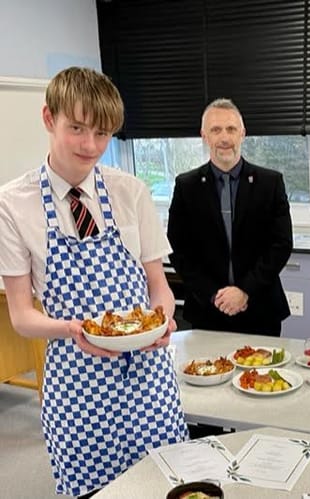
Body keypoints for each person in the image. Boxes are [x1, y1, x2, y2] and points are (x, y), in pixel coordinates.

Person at [0, 67, 188, 498]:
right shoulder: (13, 204)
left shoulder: (131, 192)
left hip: (147, 377)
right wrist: (73, 329)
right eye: (77, 129)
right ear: (49, 119)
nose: (90, 146)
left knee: (164, 487)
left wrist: (163, 318)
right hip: (76, 384)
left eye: (102, 134)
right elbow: (22, 317)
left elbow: (157, 284)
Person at [167, 98, 293, 336]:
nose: (224, 137)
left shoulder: (270, 183)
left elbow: (281, 244)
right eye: (216, 130)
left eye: (231, 129)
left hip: (260, 309)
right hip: (208, 310)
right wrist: (215, 294)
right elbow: (179, 249)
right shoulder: (186, 186)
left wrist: (244, 291)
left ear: (242, 134)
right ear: (204, 136)